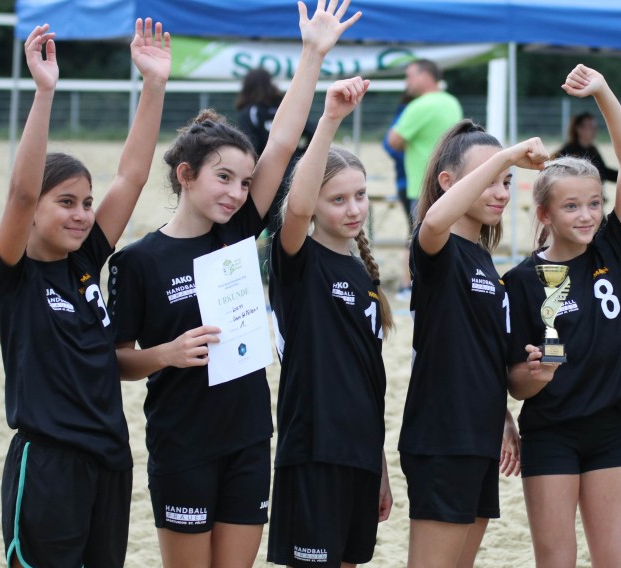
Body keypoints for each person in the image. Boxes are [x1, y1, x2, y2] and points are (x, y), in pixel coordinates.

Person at [107, 3, 359, 567]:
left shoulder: (243, 232)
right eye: (224, 178)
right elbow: (120, 360)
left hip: (248, 436)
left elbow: (282, 144)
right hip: (181, 442)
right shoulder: (137, 261)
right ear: (186, 175)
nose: (237, 192)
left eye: (245, 182)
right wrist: (167, 354)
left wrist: (313, 54)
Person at [0, 20, 170, 568]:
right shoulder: (10, 276)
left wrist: (153, 86)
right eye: (66, 201)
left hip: (110, 460)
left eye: (87, 202)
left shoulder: (84, 264)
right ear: (34, 211)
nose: (83, 214)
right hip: (49, 467)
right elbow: (16, 192)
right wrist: (44, 93)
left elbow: (131, 177)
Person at [503, 64, 621, 567]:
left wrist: (604, 91)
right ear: (544, 215)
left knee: (617, 560)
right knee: (556, 561)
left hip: (611, 431)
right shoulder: (521, 281)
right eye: (571, 207)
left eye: (593, 204)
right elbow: (516, 384)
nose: (587, 216)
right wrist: (539, 371)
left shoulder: (611, 249)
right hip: (552, 433)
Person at [398, 120, 548, 567]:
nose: (501, 191)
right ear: (448, 183)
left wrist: (502, 411)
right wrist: (506, 156)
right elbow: (434, 220)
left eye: (506, 182)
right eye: (488, 179)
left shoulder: (483, 259)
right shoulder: (436, 246)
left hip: (478, 433)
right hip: (442, 435)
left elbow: (476, 350)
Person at [267, 75, 393, 567]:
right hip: (314, 450)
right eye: (338, 199)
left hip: (360, 453)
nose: (354, 208)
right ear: (314, 205)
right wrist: (331, 119)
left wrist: (379, 462)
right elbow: (294, 206)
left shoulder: (363, 273)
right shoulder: (298, 258)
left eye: (360, 196)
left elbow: (367, 380)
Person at [386, 58, 463, 299]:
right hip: (451, 184)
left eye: (410, 76)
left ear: (424, 76)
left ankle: (408, 286)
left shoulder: (419, 106)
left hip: (421, 185)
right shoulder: (452, 102)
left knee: (416, 236)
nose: (406, 82)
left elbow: (392, 141)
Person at [235, 66, 315, 236]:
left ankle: (271, 261)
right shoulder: (285, 107)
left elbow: (248, 148)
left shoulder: (248, 112)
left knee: (271, 231)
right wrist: (300, 153)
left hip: (268, 179)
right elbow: (313, 132)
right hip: (296, 175)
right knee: (296, 231)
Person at [383, 91, 415, 298]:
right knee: (414, 232)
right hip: (409, 182)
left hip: (411, 182)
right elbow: (389, 143)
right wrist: (407, 155)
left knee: (414, 231)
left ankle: (408, 284)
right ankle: (406, 285)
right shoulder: (407, 111)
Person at [555, 111, 620, 184]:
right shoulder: (567, 152)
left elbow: (604, 172)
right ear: (579, 129)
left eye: (594, 127)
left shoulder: (592, 150)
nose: (594, 130)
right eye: (590, 127)